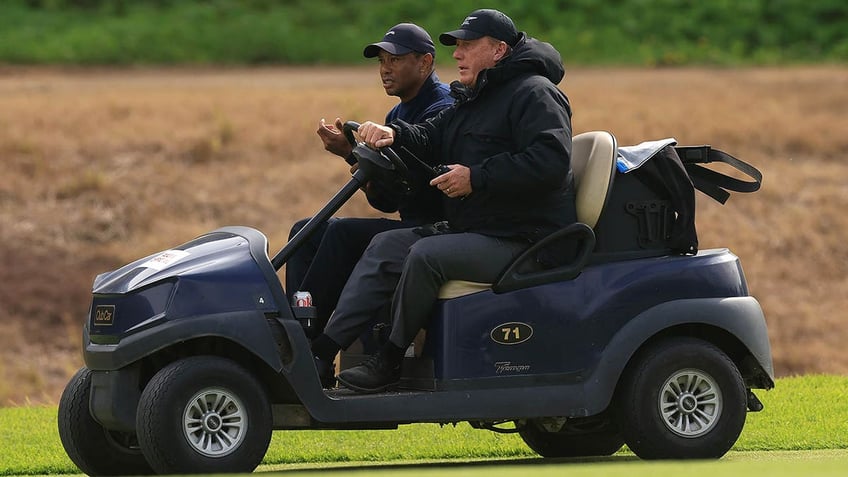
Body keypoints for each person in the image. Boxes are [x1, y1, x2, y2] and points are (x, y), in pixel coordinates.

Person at [309, 9, 575, 393]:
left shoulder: (535, 93)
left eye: (467, 46)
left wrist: (476, 177)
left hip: (526, 238)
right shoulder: (475, 97)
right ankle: (320, 353)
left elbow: (550, 162)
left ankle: (390, 359)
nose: (458, 54)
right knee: (387, 245)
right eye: (457, 47)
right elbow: (429, 135)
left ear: (499, 50)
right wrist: (392, 134)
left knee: (426, 254)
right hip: (481, 229)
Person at [285, 23, 454, 386]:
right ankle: (299, 332)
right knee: (305, 230)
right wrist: (351, 155)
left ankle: (311, 351)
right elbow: (387, 200)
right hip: (411, 224)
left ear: (425, 63)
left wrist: (364, 162)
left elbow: (425, 190)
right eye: (381, 61)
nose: (384, 69)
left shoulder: (443, 109)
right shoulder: (397, 115)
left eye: (394, 60)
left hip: (438, 230)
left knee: (343, 233)